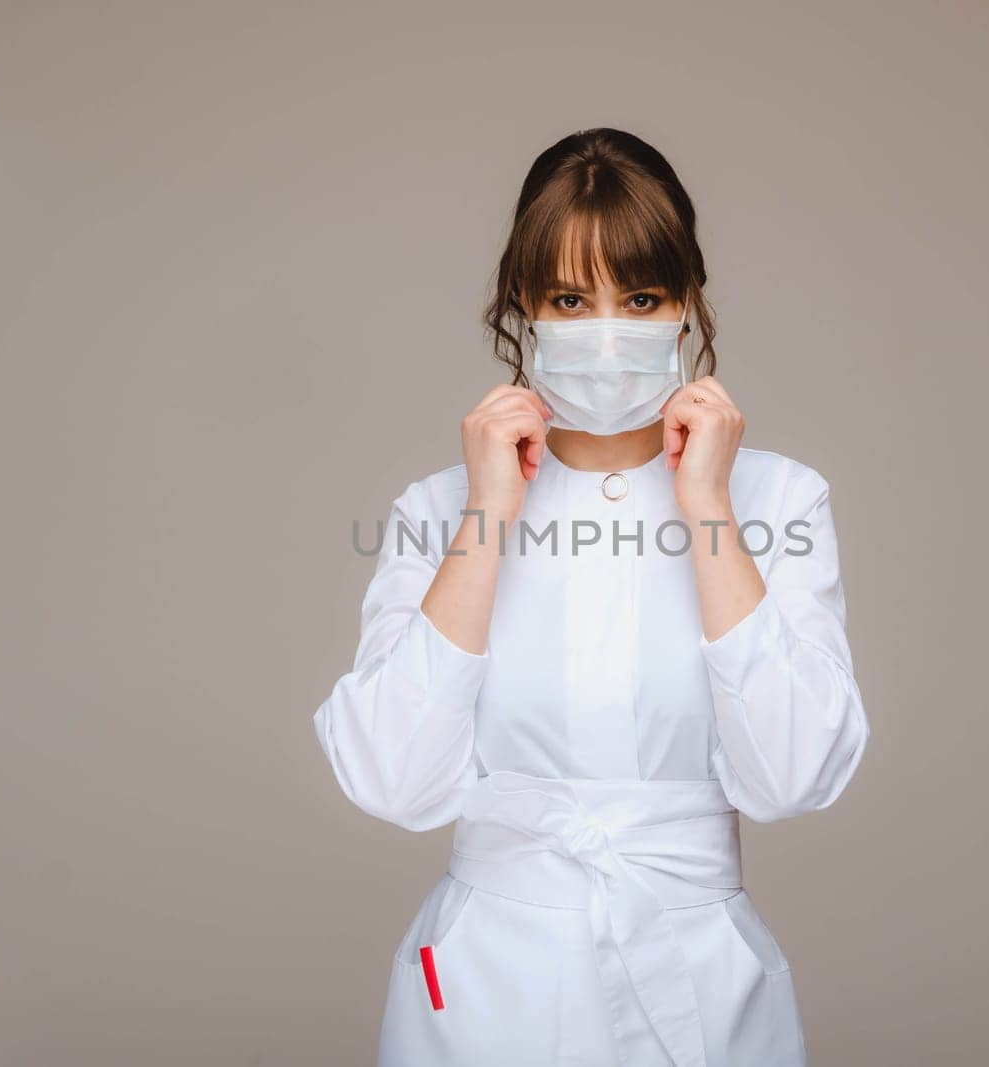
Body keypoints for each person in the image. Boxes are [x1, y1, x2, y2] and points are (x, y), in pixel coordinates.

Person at [313, 127, 870, 1067]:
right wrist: (488, 511)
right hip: (487, 993)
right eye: (571, 298)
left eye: (641, 297)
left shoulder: (778, 500)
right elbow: (393, 781)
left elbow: (791, 775)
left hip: (696, 982)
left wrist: (706, 506)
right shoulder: (438, 509)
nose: (606, 329)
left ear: (687, 304)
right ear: (524, 307)